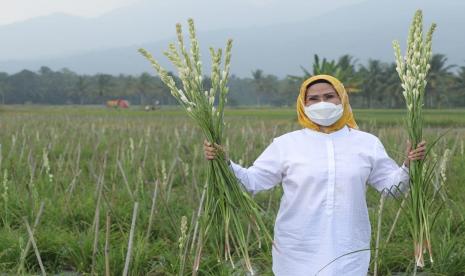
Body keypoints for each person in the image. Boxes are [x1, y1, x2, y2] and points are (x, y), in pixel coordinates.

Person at [203, 75, 426, 276]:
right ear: (303, 104)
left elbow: (391, 188)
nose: (322, 103)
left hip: (348, 246)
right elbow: (253, 181)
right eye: (313, 99)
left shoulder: (366, 143)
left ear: (343, 100)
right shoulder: (286, 144)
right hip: (297, 249)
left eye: (330, 96)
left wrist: (408, 165)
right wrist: (224, 162)